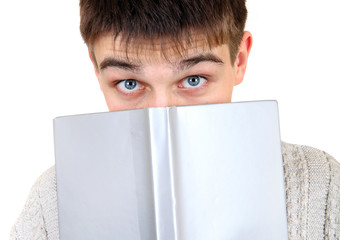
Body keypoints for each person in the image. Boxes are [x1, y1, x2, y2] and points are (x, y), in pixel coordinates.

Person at [10, 0, 340, 239]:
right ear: (97, 72)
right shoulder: (52, 200)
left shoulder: (321, 183)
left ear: (238, 60)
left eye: (194, 79)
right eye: (129, 84)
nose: (161, 111)